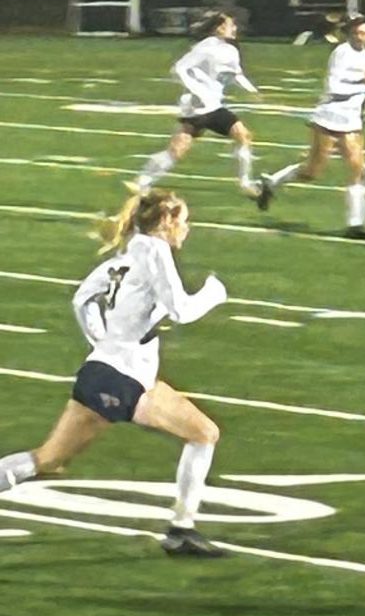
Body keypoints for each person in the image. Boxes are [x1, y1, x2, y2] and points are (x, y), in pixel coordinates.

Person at [0, 189, 228, 556]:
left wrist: (101, 343)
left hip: (103, 373)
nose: (187, 229)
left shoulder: (126, 256)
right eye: (184, 221)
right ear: (167, 222)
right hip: (123, 381)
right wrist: (214, 294)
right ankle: (181, 530)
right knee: (203, 434)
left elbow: (82, 298)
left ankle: (182, 529)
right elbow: (182, 310)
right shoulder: (155, 250)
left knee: (47, 460)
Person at [255, 14, 365, 238]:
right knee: (312, 171)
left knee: (357, 169)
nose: (363, 38)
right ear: (350, 34)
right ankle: (272, 183)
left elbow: (362, 78)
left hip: (351, 121)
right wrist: (360, 85)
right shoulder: (341, 53)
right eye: (359, 33)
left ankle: (355, 224)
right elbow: (334, 86)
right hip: (329, 117)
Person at [133, 12, 260, 197]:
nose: (235, 28)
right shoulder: (204, 48)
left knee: (243, 135)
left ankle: (246, 183)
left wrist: (252, 91)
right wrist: (197, 90)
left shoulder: (231, 50)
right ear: (219, 28)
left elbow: (236, 75)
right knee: (178, 149)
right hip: (197, 107)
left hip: (214, 106)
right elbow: (178, 68)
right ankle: (142, 182)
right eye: (230, 25)